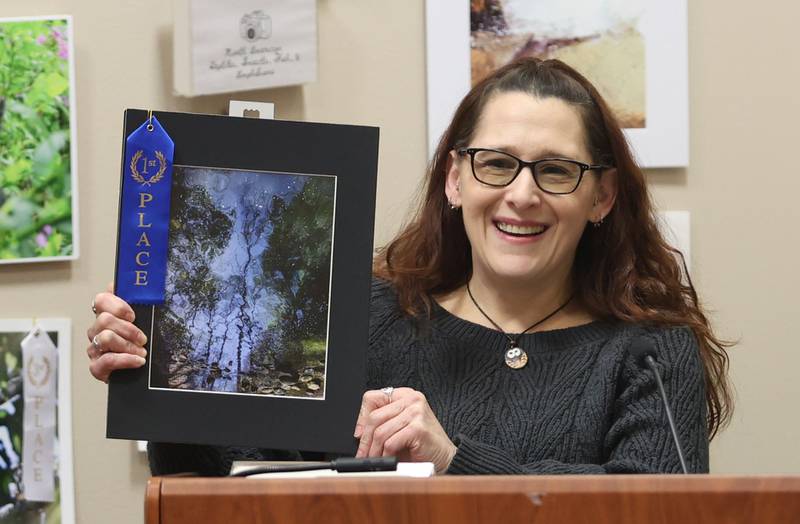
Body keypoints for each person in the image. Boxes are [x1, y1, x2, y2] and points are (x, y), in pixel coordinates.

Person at [87, 58, 732, 476]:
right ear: (454, 180)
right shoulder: (365, 314)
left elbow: (652, 509)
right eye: (495, 162)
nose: (522, 194)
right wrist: (159, 378)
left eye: (556, 170)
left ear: (603, 196)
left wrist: (451, 459)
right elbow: (237, 481)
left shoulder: (650, 350)